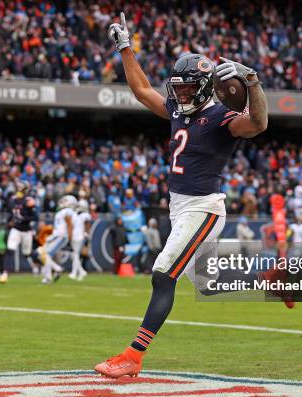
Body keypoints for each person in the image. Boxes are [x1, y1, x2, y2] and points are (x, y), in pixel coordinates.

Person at [94, 12, 267, 378]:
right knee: (211, 284)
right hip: (180, 208)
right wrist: (126, 48)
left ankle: (133, 356)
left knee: (162, 273)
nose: (182, 94)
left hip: (203, 208)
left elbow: (257, 123)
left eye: (189, 88)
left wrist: (251, 82)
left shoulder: (223, 117)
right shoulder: (177, 109)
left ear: (205, 87)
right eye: (179, 88)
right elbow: (142, 91)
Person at [0, 183, 38, 283]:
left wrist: (24, 219)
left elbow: (35, 217)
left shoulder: (29, 201)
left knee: (27, 253)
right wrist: (9, 221)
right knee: (10, 250)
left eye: (21, 188)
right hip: (16, 229)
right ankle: (5, 273)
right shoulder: (12, 200)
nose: (19, 189)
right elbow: (11, 214)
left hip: (26, 230)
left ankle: (44, 265)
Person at [41, 195, 76, 284]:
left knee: (46, 255)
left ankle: (50, 276)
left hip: (60, 236)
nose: (62, 202)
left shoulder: (67, 211)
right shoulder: (63, 211)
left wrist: (70, 239)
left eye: (64, 201)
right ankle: (53, 271)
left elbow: (69, 225)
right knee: (43, 254)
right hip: (57, 235)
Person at [70, 199, 91, 281]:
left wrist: (86, 233)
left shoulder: (85, 215)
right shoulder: (75, 214)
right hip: (75, 236)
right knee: (75, 255)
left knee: (76, 255)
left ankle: (75, 272)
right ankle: (79, 272)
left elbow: (87, 225)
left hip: (80, 236)